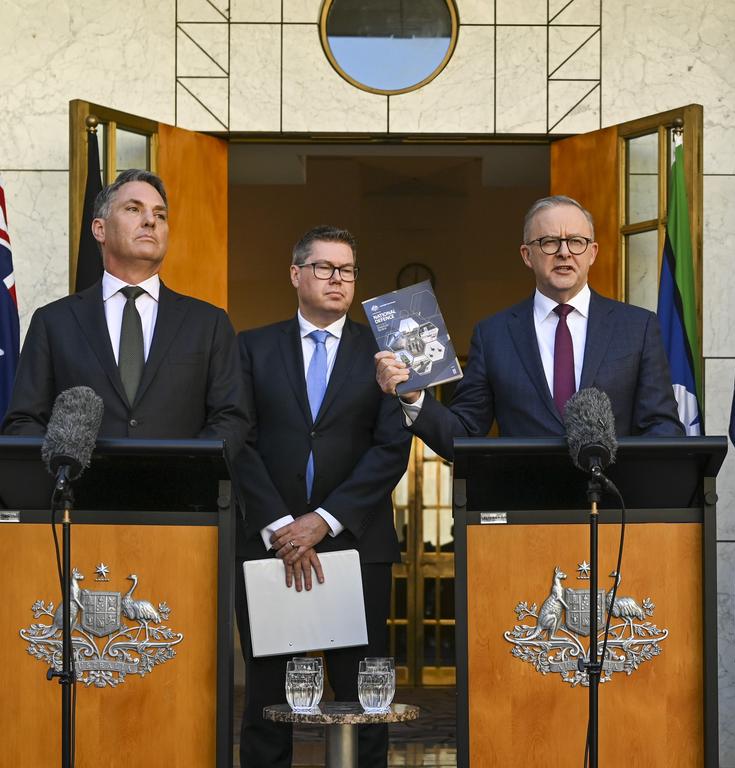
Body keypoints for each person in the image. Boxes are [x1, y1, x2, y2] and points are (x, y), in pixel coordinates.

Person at [232, 225, 411, 768]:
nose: (339, 279)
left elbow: (391, 448)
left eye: (348, 270)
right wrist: (284, 527)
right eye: (325, 268)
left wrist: (323, 522)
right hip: (271, 548)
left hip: (357, 545)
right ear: (296, 274)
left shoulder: (385, 351)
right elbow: (238, 441)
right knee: (268, 698)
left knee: (362, 698)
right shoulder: (252, 347)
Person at [375, 195, 683, 456]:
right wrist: (414, 398)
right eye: (549, 242)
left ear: (593, 253)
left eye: (576, 241)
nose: (564, 252)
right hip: (525, 514)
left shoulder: (638, 327)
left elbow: (662, 426)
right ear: (527, 255)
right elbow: (464, 434)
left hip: (613, 512)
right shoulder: (493, 335)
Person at [2, 168, 247, 454]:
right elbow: (24, 421)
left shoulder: (209, 323)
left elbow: (231, 418)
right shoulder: (54, 322)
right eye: (134, 209)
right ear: (100, 229)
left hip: (179, 495)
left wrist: (186, 472)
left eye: (160, 215)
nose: (150, 221)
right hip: (83, 496)